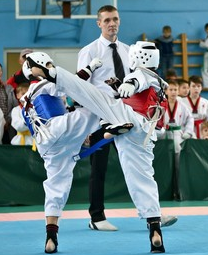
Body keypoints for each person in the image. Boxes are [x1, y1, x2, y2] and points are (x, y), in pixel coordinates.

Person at [25, 46, 169, 253]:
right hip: (143, 132)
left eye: (49, 66)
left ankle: (51, 235)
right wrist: (98, 72)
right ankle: (155, 228)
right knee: (142, 178)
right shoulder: (162, 83)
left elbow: (138, 79)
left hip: (49, 144)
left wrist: (128, 83)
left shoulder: (142, 74)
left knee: (56, 186)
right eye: (46, 65)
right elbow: (135, 85)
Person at [77, 5, 177, 231]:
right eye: (107, 20)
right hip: (100, 117)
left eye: (115, 19)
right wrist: (83, 126)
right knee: (98, 168)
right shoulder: (89, 51)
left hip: (129, 116)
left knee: (140, 167)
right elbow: (81, 90)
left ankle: (155, 214)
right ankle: (96, 217)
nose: (112, 23)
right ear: (99, 23)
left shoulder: (129, 50)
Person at [157, 79, 194, 200]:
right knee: (165, 166)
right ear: (166, 91)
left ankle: (178, 192)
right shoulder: (160, 104)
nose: (173, 92)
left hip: (178, 136)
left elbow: (190, 119)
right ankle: (164, 193)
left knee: (178, 166)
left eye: (175, 90)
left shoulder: (183, 106)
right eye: (171, 89)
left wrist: (188, 132)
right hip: (163, 136)